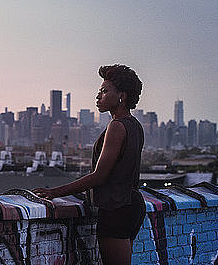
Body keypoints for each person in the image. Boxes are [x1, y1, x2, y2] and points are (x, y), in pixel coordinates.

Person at [33, 64, 145, 265]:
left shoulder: (117, 127)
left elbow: (99, 176)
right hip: (132, 204)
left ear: (122, 96)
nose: (98, 96)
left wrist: (55, 193)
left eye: (104, 91)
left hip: (116, 208)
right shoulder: (135, 125)